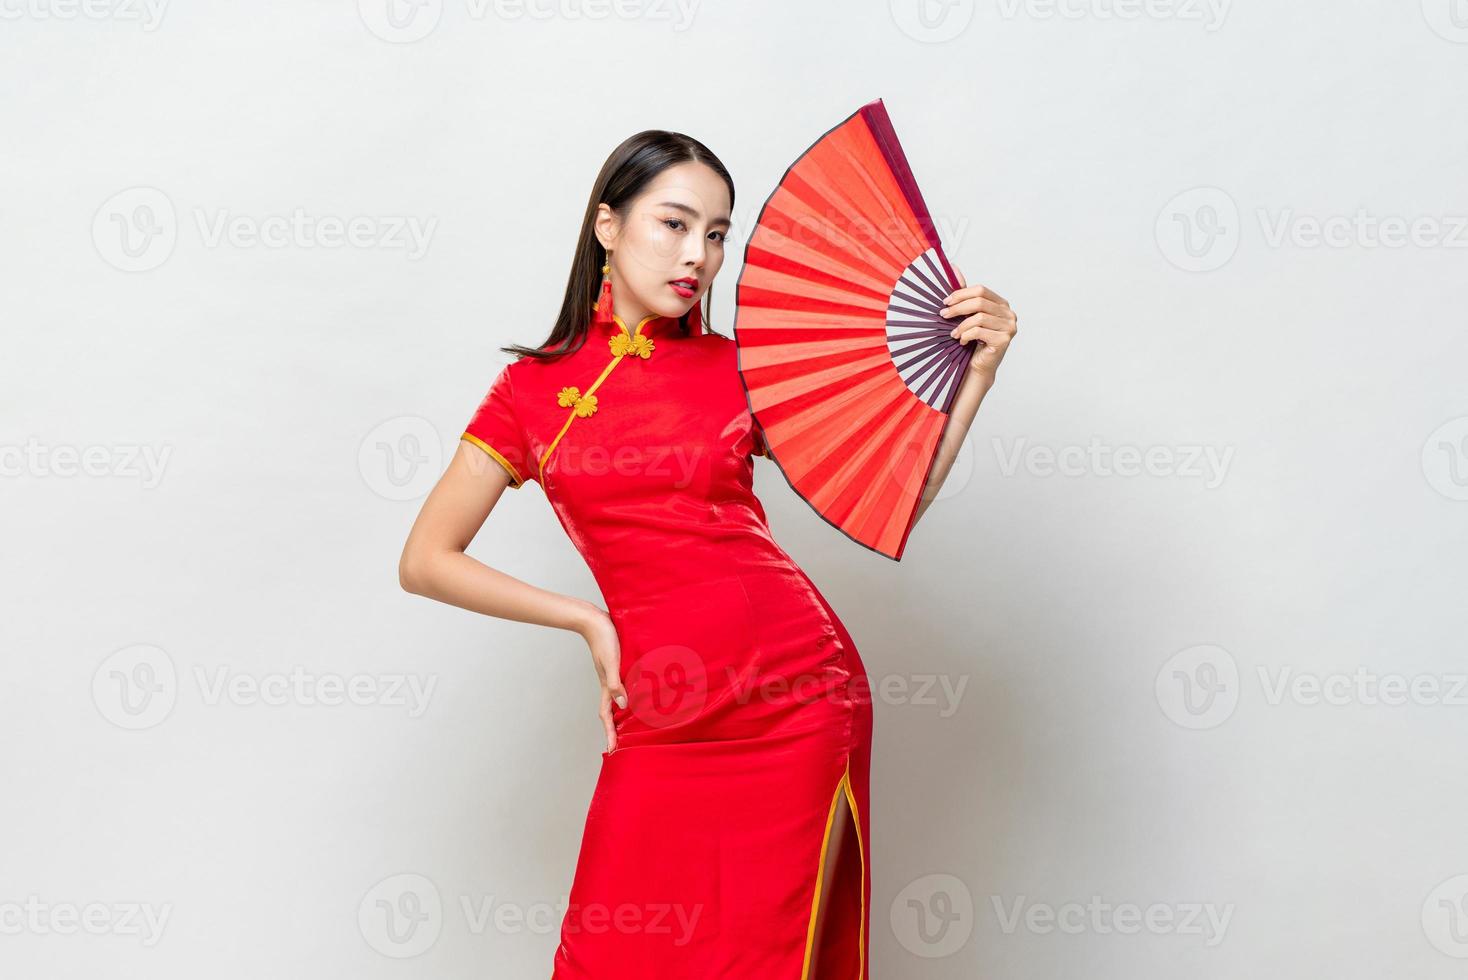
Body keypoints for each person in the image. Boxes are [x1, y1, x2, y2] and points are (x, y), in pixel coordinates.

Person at [398, 129, 1016, 978]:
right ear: (607, 228)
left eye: (717, 234)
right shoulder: (529, 393)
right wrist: (586, 618)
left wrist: (976, 377)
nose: (698, 256)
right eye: (675, 224)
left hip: (794, 695)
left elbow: (897, 491)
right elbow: (427, 558)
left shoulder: (743, 369)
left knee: (761, 958)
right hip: (659, 709)